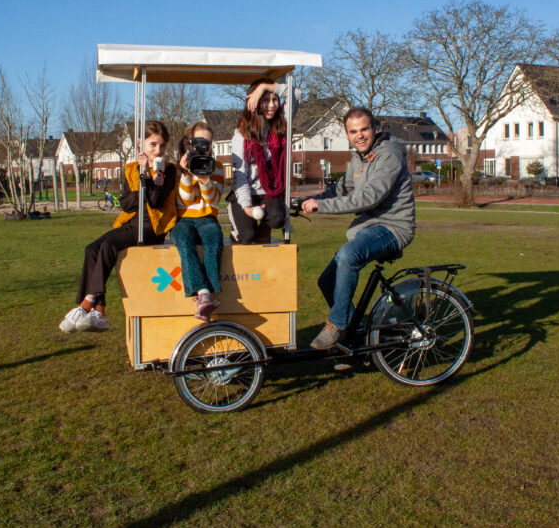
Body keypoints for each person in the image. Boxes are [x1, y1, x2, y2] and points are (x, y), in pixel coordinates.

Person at [300, 107, 416, 349]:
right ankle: (355, 341)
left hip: (394, 228)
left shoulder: (389, 156)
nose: (359, 135)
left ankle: (338, 325)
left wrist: (320, 206)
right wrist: (307, 200)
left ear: (374, 128)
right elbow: (340, 189)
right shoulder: (359, 159)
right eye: (353, 131)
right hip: (370, 227)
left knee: (348, 255)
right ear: (347, 134)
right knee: (327, 281)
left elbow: (369, 198)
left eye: (364, 129)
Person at [60, 120, 178, 333]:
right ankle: (100, 310)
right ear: (142, 144)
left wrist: (152, 180)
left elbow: (155, 202)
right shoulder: (132, 168)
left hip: (152, 227)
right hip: (132, 222)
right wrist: (143, 178)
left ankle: (86, 304)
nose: (158, 150)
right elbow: (126, 203)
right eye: (153, 145)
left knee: (109, 247)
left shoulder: (168, 170)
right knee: (92, 248)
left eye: (162, 145)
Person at [228, 79, 300, 244]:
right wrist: (246, 206)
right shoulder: (241, 136)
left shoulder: (281, 124)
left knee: (277, 218)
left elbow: (295, 94)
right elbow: (240, 176)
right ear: (254, 103)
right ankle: (239, 229)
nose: (272, 105)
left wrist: (264, 87)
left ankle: (263, 230)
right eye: (265, 100)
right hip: (245, 193)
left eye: (275, 99)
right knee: (247, 236)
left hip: (269, 193)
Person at [170, 122, 225, 321]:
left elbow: (212, 200)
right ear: (188, 143)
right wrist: (186, 174)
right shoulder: (179, 167)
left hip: (208, 216)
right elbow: (184, 200)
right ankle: (204, 292)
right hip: (184, 218)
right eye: (198, 142)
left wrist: (204, 178)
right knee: (183, 240)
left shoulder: (217, 167)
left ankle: (206, 295)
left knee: (213, 239)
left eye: (207, 143)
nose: (203, 147)